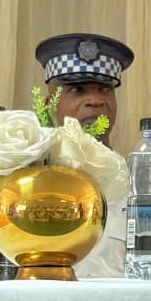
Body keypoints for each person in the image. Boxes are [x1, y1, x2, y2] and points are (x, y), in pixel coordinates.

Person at [35, 33, 134, 276]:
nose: (95, 100)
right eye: (77, 90)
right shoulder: (28, 181)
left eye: (105, 89)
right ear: (48, 104)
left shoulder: (136, 183)